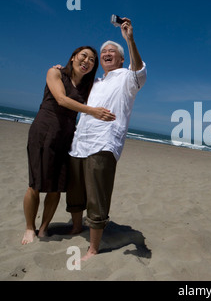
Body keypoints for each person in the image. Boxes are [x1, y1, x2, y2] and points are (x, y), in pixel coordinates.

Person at [66, 17, 146, 261]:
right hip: (80, 142)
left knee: (97, 195)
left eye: (112, 52)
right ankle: (77, 227)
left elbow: (139, 69)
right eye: (103, 52)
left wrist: (129, 39)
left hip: (104, 143)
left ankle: (93, 248)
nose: (106, 54)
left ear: (121, 59)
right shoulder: (96, 82)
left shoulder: (127, 77)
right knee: (76, 192)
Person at [22, 46, 116, 245]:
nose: (87, 61)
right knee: (35, 185)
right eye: (84, 56)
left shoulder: (87, 87)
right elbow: (61, 99)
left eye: (92, 59)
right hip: (44, 131)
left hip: (67, 137)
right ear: (73, 57)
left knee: (56, 187)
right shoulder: (55, 72)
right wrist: (92, 111)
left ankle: (44, 228)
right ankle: (30, 227)